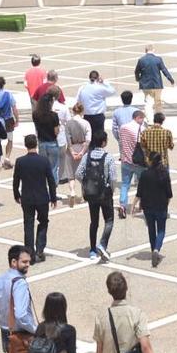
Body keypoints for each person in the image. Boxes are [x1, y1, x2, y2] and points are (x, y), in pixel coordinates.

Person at [14, 134, 59, 263]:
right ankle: (39, 250)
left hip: (27, 197)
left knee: (28, 225)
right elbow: (50, 180)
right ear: (36, 144)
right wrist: (53, 197)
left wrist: (16, 194)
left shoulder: (20, 161)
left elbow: (16, 180)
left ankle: (29, 253)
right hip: (42, 197)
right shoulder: (44, 161)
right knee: (43, 222)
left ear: (25, 145)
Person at [76, 132, 118, 262]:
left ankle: (92, 250)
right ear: (104, 142)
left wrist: (85, 184)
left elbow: (78, 173)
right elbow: (113, 178)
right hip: (104, 193)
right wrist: (111, 189)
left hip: (91, 192)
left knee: (94, 221)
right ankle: (103, 244)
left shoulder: (87, 156)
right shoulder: (109, 157)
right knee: (109, 220)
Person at [134, 152, 173, 267]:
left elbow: (139, 192)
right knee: (161, 230)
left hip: (148, 206)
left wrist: (133, 205)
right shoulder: (164, 174)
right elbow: (169, 193)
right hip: (161, 206)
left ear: (150, 160)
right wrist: (166, 203)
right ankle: (156, 249)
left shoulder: (145, 174)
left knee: (151, 229)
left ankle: (152, 250)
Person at [118, 109, 146, 219]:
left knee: (125, 185)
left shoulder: (123, 127)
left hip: (125, 160)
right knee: (142, 184)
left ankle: (122, 206)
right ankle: (141, 204)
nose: (143, 121)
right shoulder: (141, 129)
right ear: (137, 117)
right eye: (142, 118)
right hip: (138, 162)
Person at [63, 102, 91, 206]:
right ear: (82, 111)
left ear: (73, 111)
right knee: (84, 174)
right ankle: (84, 196)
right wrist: (82, 151)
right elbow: (88, 139)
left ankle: (72, 191)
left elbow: (68, 139)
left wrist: (72, 151)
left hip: (72, 149)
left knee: (71, 175)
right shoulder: (86, 123)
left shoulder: (68, 124)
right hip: (82, 148)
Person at [134, 44, 174, 114]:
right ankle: (158, 120)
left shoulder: (141, 60)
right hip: (157, 84)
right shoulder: (158, 59)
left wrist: (138, 79)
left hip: (146, 85)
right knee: (158, 103)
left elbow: (137, 71)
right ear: (153, 50)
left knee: (148, 103)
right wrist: (170, 79)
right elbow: (164, 70)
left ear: (145, 51)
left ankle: (150, 121)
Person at [32, 91, 62, 185]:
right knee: (53, 167)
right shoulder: (53, 115)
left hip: (41, 142)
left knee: (43, 167)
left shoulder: (36, 114)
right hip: (52, 143)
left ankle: (44, 188)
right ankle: (52, 191)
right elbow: (56, 131)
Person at [76, 70, 115, 138]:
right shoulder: (100, 88)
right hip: (98, 116)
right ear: (98, 78)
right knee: (99, 137)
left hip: (87, 116)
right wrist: (104, 82)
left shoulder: (82, 88)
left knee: (89, 137)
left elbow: (78, 100)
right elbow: (112, 91)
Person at [0, 76, 18, 168]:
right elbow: (14, 108)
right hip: (8, 119)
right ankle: (7, 157)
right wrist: (17, 119)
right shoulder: (8, 94)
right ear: (3, 84)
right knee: (10, 139)